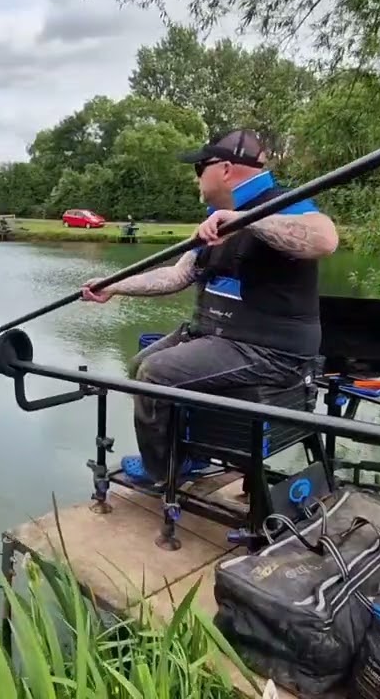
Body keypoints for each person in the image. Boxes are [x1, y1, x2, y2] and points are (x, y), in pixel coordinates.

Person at [80, 128, 339, 489]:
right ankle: (192, 457)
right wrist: (113, 286)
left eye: (200, 167)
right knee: (141, 363)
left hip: (269, 349)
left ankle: (164, 473)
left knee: (156, 373)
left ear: (226, 169)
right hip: (220, 335)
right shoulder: (218, 217)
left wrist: (250, 221)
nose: (196, 178)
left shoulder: (281, 202)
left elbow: (325, 239)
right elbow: (177, 274)